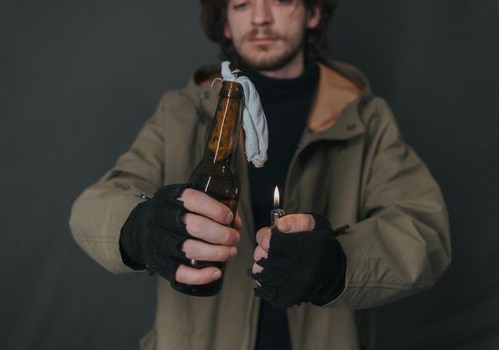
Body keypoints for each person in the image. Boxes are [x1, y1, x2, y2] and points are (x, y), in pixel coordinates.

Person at [69, 0, 451, 349]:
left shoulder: (365, 118)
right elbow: (95, 205)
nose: (260, 17)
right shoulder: (179, 113)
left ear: (314, 12)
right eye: (241, 3)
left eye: (281, 0)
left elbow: (424, 231)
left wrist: (336, 264)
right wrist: (141, 228)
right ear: (224, 23)